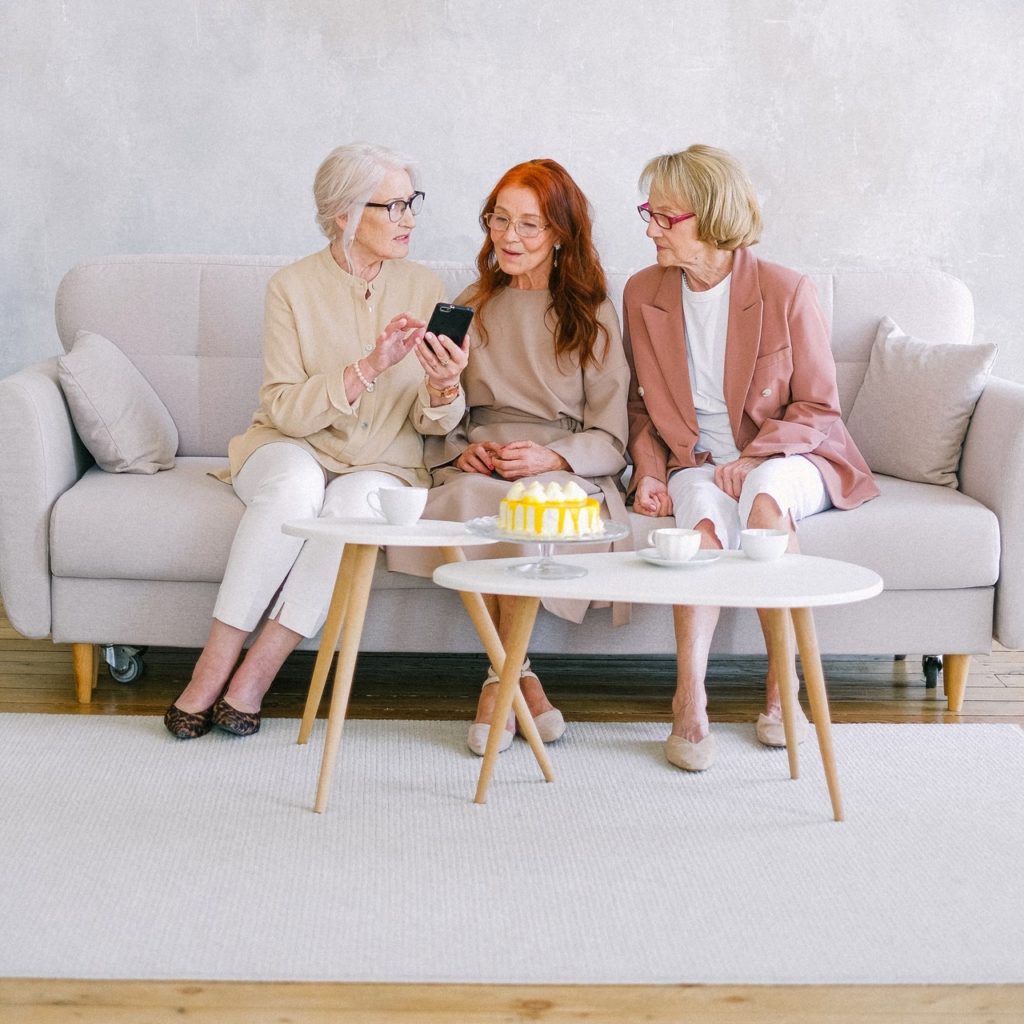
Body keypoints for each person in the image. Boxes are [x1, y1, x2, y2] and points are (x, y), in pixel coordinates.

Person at [163, 142, 468, 739]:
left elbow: (436, 425)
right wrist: (367, 368)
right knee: (296, 487)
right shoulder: (291, 287)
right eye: (394, 206)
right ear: (344, 213)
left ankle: (256, 676)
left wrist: (443, 386)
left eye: (413, 203)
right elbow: (282, 406)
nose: (409, 219)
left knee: (352, 508)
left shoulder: (426, 284)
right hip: (288, 446)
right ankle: (210, 669)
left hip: (384, 462)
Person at [622, 144, 879, 772]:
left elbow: (819, 409)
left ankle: (780, 684)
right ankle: (690, 699)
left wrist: (755, 454)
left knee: (763, 496)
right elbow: (637, 406)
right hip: (696, 460)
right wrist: (651, 474)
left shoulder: (784, 290)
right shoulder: (642, 292)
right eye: (648, 214)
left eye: (665, 217)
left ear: (710, 217)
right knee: (701, 521)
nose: (651, 228)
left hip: (794, 452)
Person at [391, 158, 630, 756]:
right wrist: (462, 453)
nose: (510, 237)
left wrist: (553, 460)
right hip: (483, 462)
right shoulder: (470, 303)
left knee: (530, 504)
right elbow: (445, 415)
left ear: (560, 234)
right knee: (478, 498)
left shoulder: (592, 312)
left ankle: (500, 685)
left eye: (530, 225)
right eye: (500, 220)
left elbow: (612, 437)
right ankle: (519, 682)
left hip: (560, 467)